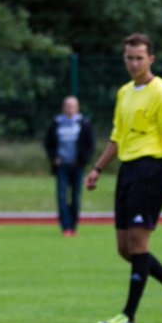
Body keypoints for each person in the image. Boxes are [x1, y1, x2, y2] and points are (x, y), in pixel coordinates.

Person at [85, 33, 162, 323]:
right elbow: (117, 136)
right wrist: (97, 168)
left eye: (139, 58)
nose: (133, 63)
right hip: (127, 171)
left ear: (151, 59)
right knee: (126, 248)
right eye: (128, 58)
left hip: (150, 171)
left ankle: (128, 316)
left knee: (138, 243)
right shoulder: (124, 92)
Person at [43, 95, 95, 235]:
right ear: (63, 107)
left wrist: (83, 160)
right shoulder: (57, 123)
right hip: (62, 166)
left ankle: (73, 226)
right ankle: (65, 227)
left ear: (77, 107)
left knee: (76, 196)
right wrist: (54, 158)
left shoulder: (84, 123)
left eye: (72, 106)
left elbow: (90, 145)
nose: (69, 108)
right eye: (67, 106)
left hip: (77, 166)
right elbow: (48, 143)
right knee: (61, 196)